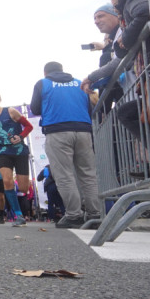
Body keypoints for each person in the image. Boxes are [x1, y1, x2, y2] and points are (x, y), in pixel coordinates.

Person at [30, 61, 101, 229]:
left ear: (45, 72)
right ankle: (95, 214)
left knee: (64, 175)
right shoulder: (79, 83)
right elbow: (89, 106)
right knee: (88, 174)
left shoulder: (43, 83)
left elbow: (35, 108)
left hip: (57, 131)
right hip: (83, 130)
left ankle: (74, 215)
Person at [0, 90, 33, 227]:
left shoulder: (11, 111)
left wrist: (21, 136)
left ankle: (21, 208)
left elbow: (29, 126)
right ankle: (19, 215)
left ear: (0, 100)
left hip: (19, 151)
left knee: (23, 188)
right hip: (3, 152)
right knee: (7, 181)